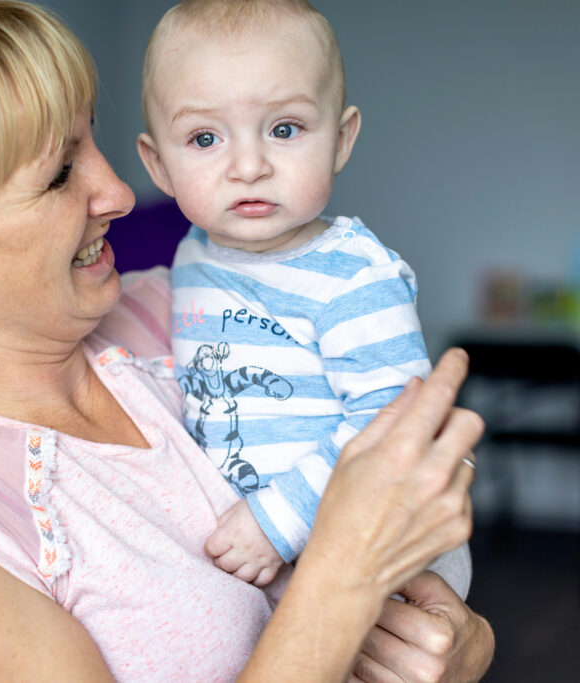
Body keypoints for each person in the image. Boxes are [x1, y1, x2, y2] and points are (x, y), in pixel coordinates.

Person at [0, 1, 493, 680]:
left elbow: (406, 470)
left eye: (93, 140)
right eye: (59, 175)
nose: (120, 192)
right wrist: (342, 581)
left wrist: (463, 644)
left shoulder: (177, 306)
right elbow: (355, 544)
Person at [136, 0, 443, 589]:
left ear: (341, 139)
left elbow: (394, 423)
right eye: (204, 138)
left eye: (284, 129)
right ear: (158, 165)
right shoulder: (191, 256)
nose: (249, 165)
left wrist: (279, 521)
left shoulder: (354, 276)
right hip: (251, 556)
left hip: (357, 555)